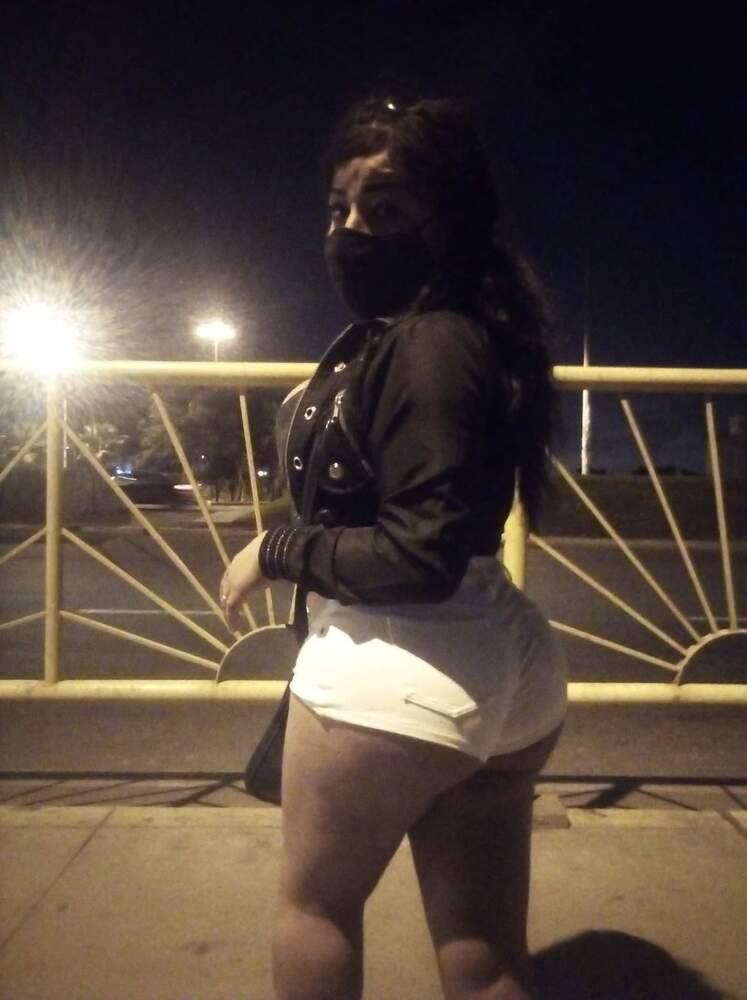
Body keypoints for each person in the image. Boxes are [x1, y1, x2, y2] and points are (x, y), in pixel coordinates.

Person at [219, 95, 567, 1000]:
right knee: (483, 947)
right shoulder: (471, 333)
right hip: (501, 661)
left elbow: (419, 553)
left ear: (448, 217)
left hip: (396, 662)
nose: (351, 233)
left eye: (386, 208)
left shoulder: (428, 343)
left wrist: (275, 551)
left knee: (314, 911)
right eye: (339, 209)